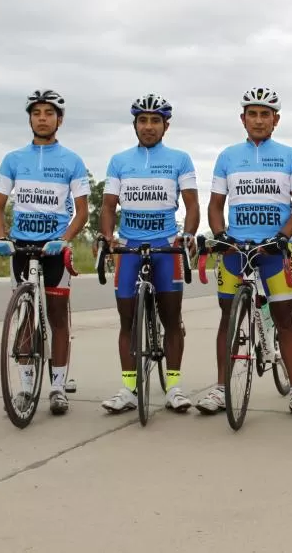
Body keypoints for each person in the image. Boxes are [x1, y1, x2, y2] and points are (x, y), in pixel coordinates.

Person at [199, 87, 292, 418]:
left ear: (276, 120)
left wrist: (283, 236)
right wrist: (221, 235)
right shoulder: (227, 157)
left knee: (284, 318)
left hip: (273, 249)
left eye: (266, 114)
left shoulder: (291, 156)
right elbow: (215, 205)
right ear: (243, 119)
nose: (259, 120)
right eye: (252, 113)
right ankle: (222, 388)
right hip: (236, 249)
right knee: (228, 317)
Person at [0, 89, 90, 415]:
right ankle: (25, 385)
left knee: (58, 318)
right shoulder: (13, 159)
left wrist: (65, 238)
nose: (43, 118)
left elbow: (82, 211)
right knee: (26, 317)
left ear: (59, 119)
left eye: (49, 113)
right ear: (30, 118)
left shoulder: (72, 161)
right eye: (37, 113)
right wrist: (1, 237)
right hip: (21, 246)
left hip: (53, 248)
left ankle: (58, 386)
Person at [98, 94, 199, 414]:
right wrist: (107, 237)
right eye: (143, 120)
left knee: (172, 319)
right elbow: (108, 205)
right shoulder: (119, 161)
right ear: (135, 125)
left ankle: (174, 386)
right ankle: (128, 388)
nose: (149, 126)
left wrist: (188, 235)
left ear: (166, 126)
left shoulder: (180, 159)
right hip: (129, 246)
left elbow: (192, 204)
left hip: (166, 247)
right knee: (126, 321)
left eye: (156, 121)